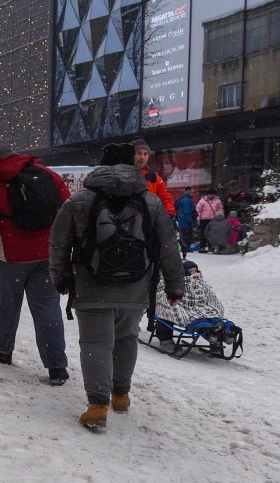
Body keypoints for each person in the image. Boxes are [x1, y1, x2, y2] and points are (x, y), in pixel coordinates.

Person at [49, 142, 184, 429]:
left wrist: (59, 276)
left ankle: (98, 406)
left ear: (102, 165)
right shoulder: (151, 201)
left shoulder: (80, 199)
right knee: (125, 338)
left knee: (96, 342)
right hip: (136, 283)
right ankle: (120, 395)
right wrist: (175, 286)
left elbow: (59, 242)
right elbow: (168, 247)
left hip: (91, 282)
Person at [0, 142, 71, 385]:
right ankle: (56, 366)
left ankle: (2, 351)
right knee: (47, 308)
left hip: (10, 257)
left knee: (6, 306)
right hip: (47, 255)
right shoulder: (48, 174)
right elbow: (69, 211)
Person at [154, 260, 224, 352]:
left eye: (195, 271)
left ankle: (221, 333)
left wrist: (215, 306)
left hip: (200, 307)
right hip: (185, 307)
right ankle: (165, 340)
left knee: (213, 317)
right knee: (167, 311)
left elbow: (210, 296)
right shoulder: (174, 279)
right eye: (191, 271)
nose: (194, 274)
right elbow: (163, 296)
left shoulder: (200, 282)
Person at [131, 137, 175, 217]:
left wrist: (170, 214)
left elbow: (165, 199)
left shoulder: (154, 177)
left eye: (145, 154)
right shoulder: (123, 173)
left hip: (149, 221)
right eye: (139, 153)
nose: (142, 157)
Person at [175, 186, 198, 259]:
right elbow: (187, 212)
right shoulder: (187, 200)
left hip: (182, 222)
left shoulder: (184, 199)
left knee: (185, 236)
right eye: (191, 192)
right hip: (185, 222)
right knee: (187, 236)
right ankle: (185, 249)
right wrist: (190, 222)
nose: (193, 193)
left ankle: (185, 248)